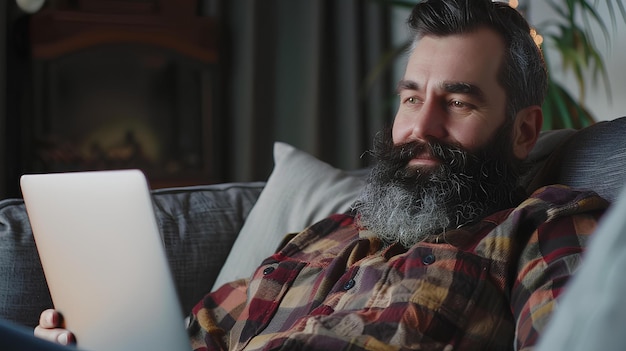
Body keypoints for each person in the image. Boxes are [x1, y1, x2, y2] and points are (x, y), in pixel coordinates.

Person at [34, 0, 609, 350]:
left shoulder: (545, 226)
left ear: (524, 131)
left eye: (457, 103)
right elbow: (192, 337)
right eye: (411, 99)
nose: (420, 127)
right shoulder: (324, 235)